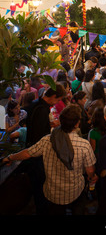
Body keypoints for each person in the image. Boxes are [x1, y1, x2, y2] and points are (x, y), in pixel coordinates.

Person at [3, 104, 97, 215]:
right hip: (74, 190)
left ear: (60, 121)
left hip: (53, 192)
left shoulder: (47, 140)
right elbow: (90, 171)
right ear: (77, 124)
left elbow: (27, 153)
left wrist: (10, 157)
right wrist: (92, 176)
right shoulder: (84, 145)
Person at [24, 83, 67, 214]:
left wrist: (49, 124)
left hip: (30, 145)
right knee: (40, 184)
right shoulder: (42, 110)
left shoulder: (35, 103)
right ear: (53, 96)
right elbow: (41, 135)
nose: (57, 103)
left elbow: (34, 125)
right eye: (58, 100)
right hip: (37, 153)